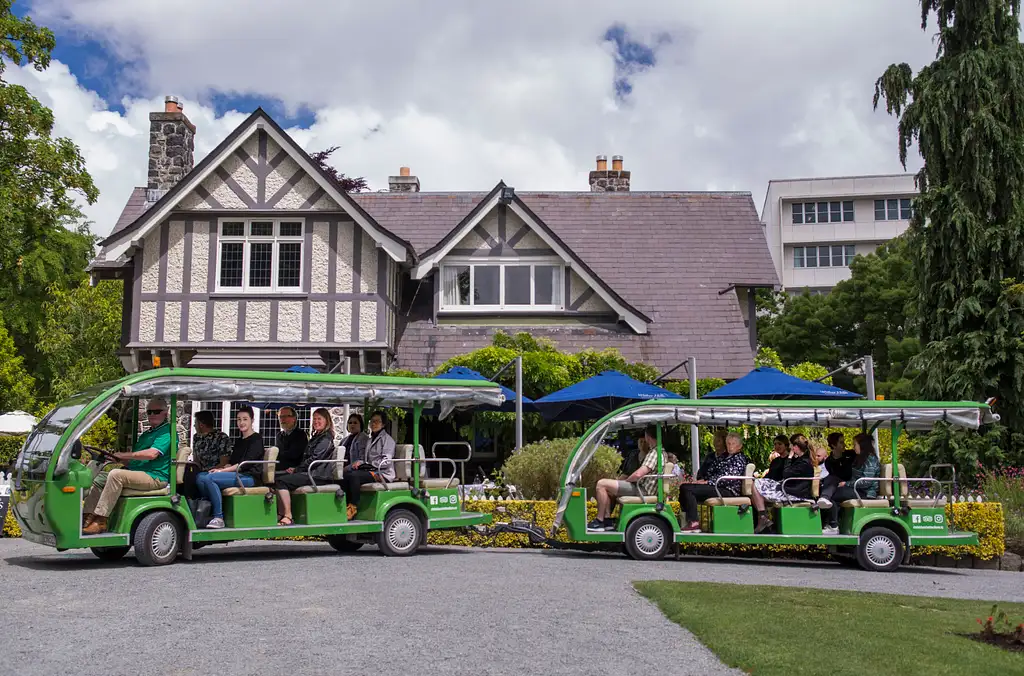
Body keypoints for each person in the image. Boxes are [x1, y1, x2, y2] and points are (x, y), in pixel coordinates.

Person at [82, 398, 176, 535]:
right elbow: (135, 461)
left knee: (116, 475)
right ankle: (87, 516)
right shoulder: (146, 434)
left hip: (156, 477)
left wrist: (126, 455)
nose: (152, 415)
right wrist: (116, 458)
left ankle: (101, 520)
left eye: (156, 412)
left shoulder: (167, 432)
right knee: (100, 478)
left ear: (166, 413)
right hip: (140, 474)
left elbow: (152, 454)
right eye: (149, 412)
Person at [197, 405, 265, 529]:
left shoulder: (256, 439)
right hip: (237, 474)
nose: (241, 422)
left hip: (250, 476)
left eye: (245, 419)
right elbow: (233, 461)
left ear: (252, 421)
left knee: (210, 478)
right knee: (201, 477)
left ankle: (219, 517)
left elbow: (245, 464)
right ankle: (208, 511)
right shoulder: (239, 441)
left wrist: (221, 471)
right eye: (239, 419)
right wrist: (222, 469)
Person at [588, 425, 662, 531]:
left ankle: (599, 521)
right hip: (642, 487)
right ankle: (607, 521)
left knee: (601, 484)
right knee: (607, 489)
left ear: (648, 437)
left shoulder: (654, 453)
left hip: (642, 490)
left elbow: (638, 475)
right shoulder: (657, 452)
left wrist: (627, 481)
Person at [273, 408, 338, 526]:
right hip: (310, 472)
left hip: (318, 475)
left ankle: (288, 515)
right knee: (279, 478)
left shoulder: (326, 439)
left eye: (319, 419)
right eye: (314, 419)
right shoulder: (316, 436)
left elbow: (315, 459)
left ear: (327, 421)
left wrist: (297, 469)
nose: (316, 422)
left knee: (281, 481)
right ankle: (281, 514)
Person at [678, 432, 750, 533]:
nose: (730, 446)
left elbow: (727, 478)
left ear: (739, 446)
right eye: (728, 443)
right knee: (685, 487)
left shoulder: (739, 458)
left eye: (733, 444)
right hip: (717, 486)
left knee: (688, 489)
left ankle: (694, 522)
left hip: (728, 490)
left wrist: (707, 482)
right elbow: (711, 470)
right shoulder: (724, 457)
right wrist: (701, 481)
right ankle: (686, 520)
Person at [749, 436, 814, 533]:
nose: (777, 446)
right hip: (785, 487)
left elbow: (786, 474)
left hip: (794, 492)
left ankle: (764, 518)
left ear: (794, 447)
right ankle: (763, 518)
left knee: (755, 489)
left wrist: (789, 458)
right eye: (775, 444)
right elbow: (771, 476)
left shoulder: (802, 462)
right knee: (754, 486)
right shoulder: (780, 461)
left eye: (780, 444)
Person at [824, 433, 882, 534]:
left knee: (833, 495)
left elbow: (866, 482)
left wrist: (846, 484)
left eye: (855, 444)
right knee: (832, 491)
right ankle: (833, 524)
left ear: (862, 445)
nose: (853, 447)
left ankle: (833, 526)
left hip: (865, 493)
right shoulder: (860, 458)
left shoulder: (870, 460)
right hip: (858, 490)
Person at [342, 411, 395, 520]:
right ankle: (345, 504)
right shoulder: (371, 439)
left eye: (377, 422)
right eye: (372, 421)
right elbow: (365, 459)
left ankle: (353, 506)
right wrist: (362, 464)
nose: (373, 424)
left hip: (382, 473)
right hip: (371, 470)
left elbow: (386, 461)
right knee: (347, 474)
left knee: (354, 476)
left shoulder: (387, 440)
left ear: (383, 424)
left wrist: (369, 465)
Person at [275, 406, 308, 471]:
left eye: (286, 416)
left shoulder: (300, 435)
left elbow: (293, 455)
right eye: (280, 417)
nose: (282, 419)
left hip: (293, 470)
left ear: (294, 418)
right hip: (278, 468)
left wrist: (276, 453)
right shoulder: (279, 435)